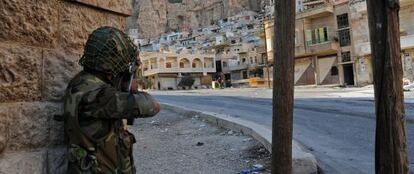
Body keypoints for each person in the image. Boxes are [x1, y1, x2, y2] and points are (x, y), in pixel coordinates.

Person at [63, 26, 160, 174]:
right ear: (109, 63)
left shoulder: (82, 82)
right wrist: (131, 89)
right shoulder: (99, 94)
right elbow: (152, 106)